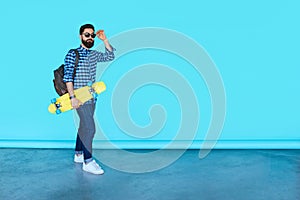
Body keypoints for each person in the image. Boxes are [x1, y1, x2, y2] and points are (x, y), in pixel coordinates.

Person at [63, 24, 115, 175]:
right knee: (90, 128)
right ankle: (88, 161)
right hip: (79, 98)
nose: (90, 38)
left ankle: (79, 154)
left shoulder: (93, 54)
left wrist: (104, 40)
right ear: (80, 36)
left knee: (84, 126)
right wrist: (72, 97)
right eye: (87, 35)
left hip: (91, 97)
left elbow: (110, 56)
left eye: (92, 35)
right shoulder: (73, 54)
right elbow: (68, 77)